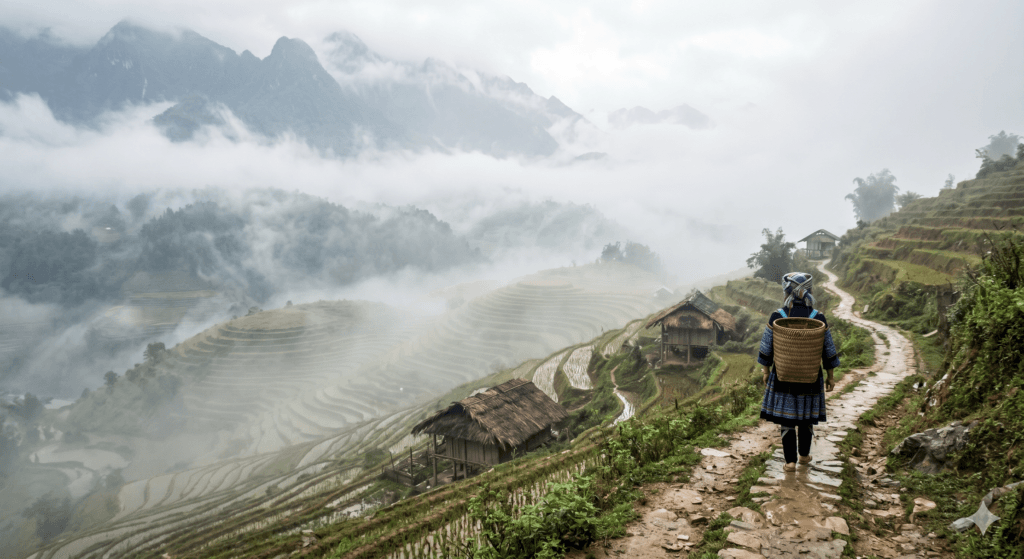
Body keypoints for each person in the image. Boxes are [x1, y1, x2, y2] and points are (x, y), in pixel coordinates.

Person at [758, 272, 840, 471]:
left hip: (783, 375)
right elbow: (827, 348)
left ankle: (790, 462)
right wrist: (830, 375)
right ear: (809, 291)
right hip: (811, 376)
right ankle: (804, 456)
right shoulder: (818, 317)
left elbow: (767, 347)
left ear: (786, 292)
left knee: (787, 418)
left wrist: (766, 370)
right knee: (806, 417)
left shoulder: (778, 316)